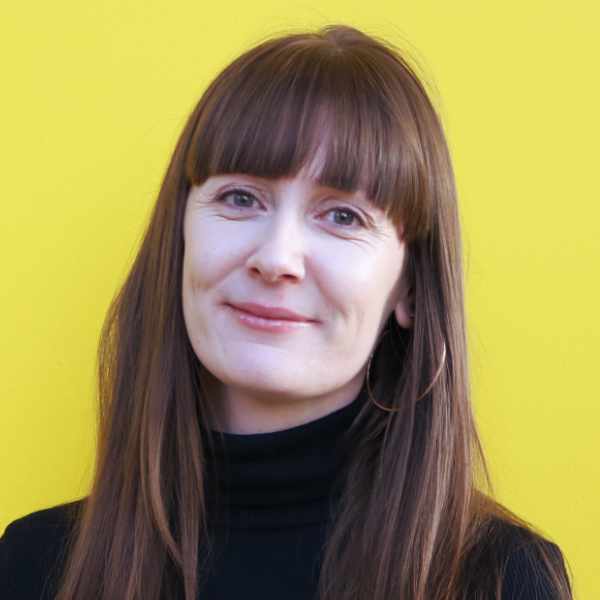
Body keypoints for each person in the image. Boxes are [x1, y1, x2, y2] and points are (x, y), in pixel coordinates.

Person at [0, 23, 573, 600]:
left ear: (411, 289)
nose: (276, 259)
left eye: (343, 216)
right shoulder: (32, 564)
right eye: (240, 198)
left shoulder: (502, 579)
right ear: (180, 240)